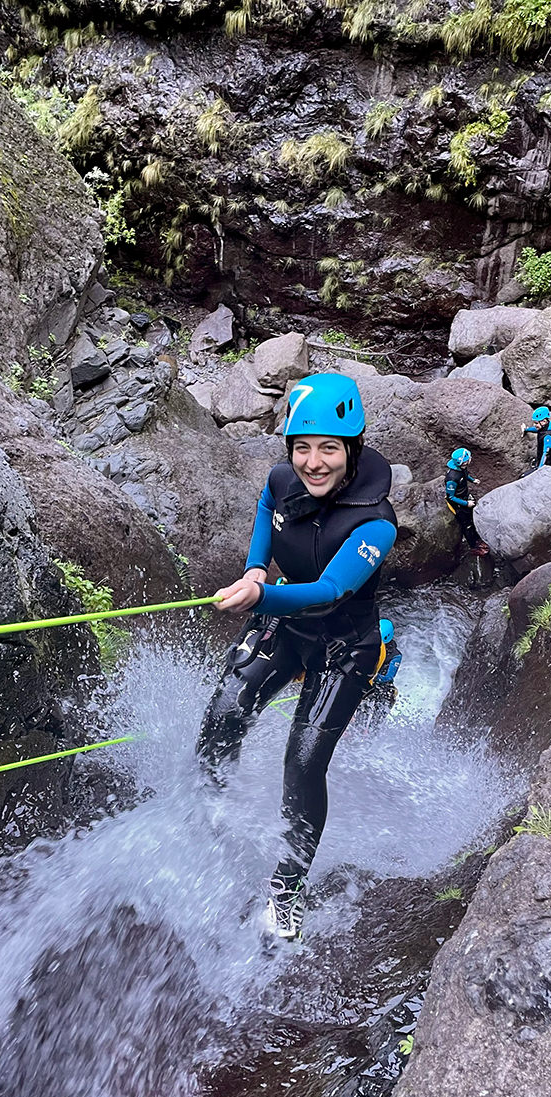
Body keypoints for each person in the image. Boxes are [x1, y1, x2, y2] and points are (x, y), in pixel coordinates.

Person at [196, 372, 397, 941]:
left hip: (342, 646)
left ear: (352, 450)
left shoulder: (375, 523)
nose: (313, 462)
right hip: (285, 623)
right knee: (226, 707)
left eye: (328, 448)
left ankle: (288, 887)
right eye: (303, 447)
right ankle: (208, 805)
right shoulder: (281, 478)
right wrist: (256, 565)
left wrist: (262, 595)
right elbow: (266, 505)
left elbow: (331, 590)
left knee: (303, 762)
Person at [444, 448, 488, 556]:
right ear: (462, 462)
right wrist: (466, 504)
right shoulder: (452, 478)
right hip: (459, 504)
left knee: (472, 520)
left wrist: (473, 480)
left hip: (465, 496)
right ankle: (473, 547)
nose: (470, 459)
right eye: (468, 458)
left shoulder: (462, 469)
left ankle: (477, 539)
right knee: (467, 525)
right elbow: (450, 496)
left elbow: (465, 475)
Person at [360, 617, 402, 729]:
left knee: (375, 724)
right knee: (360, 717)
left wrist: (374, 677)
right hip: (368, 687)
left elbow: (389, 676)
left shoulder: (395, 655)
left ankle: (371, 738)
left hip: (384, 689)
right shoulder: (370, 644)